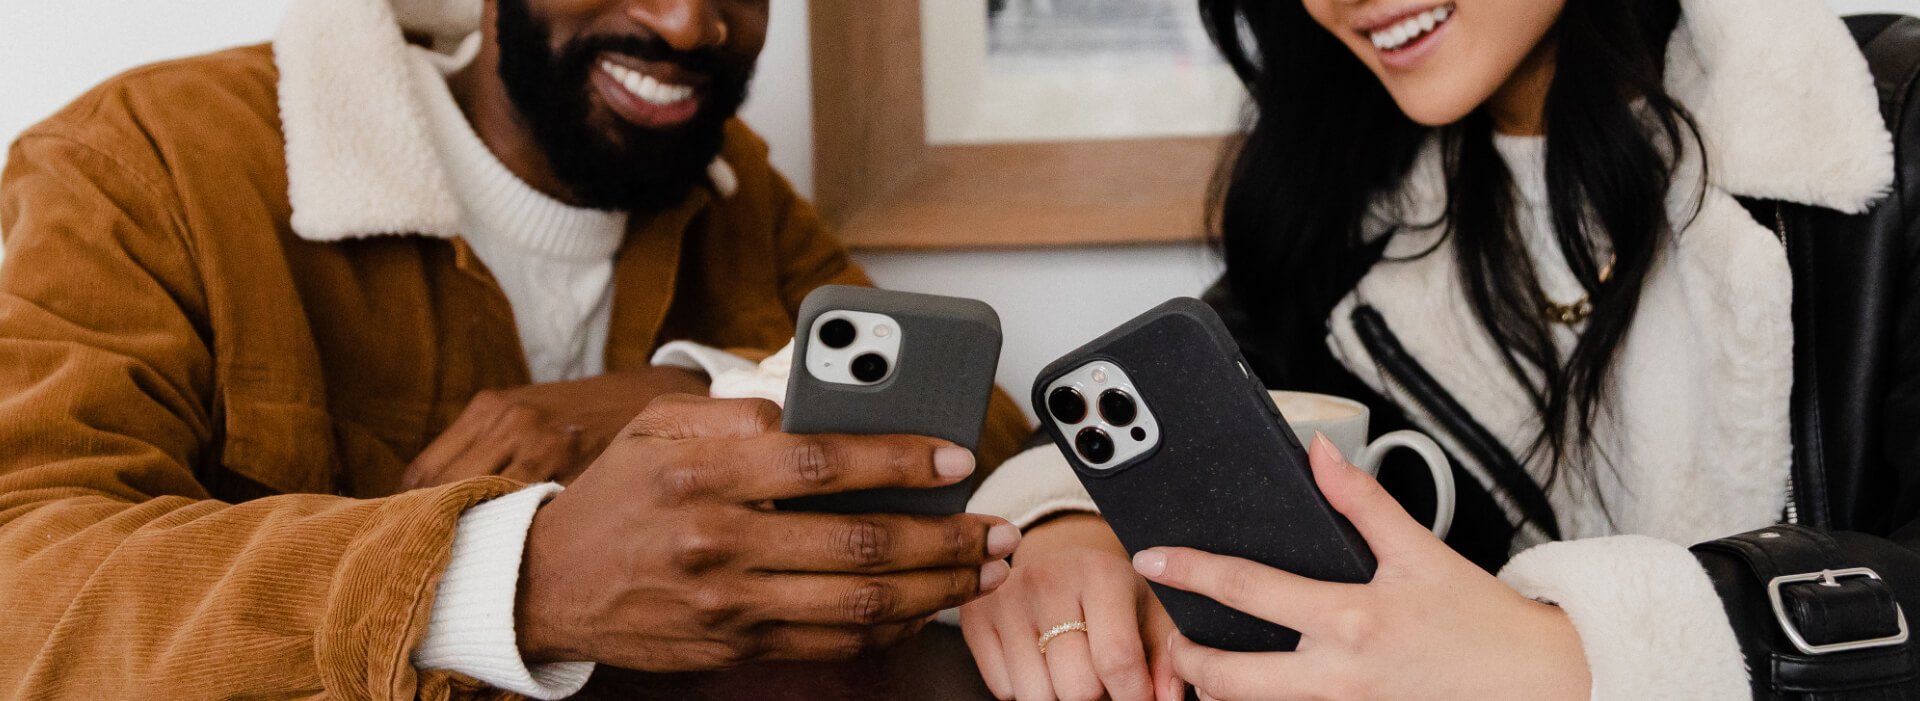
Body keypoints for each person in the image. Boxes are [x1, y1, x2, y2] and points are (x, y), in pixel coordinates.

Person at [0, 0, 1034, 697]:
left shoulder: (734, 194)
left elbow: (977, 417)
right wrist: (514, 578)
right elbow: (26, 585)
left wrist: (675, 384)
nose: (690, 21)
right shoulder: (150, 160)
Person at [961, 0, 1920, 698]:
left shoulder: (1880, 120)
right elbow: (1186, 401)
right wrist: (1071, 527)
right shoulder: (1348, 214)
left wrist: (1576, 654)